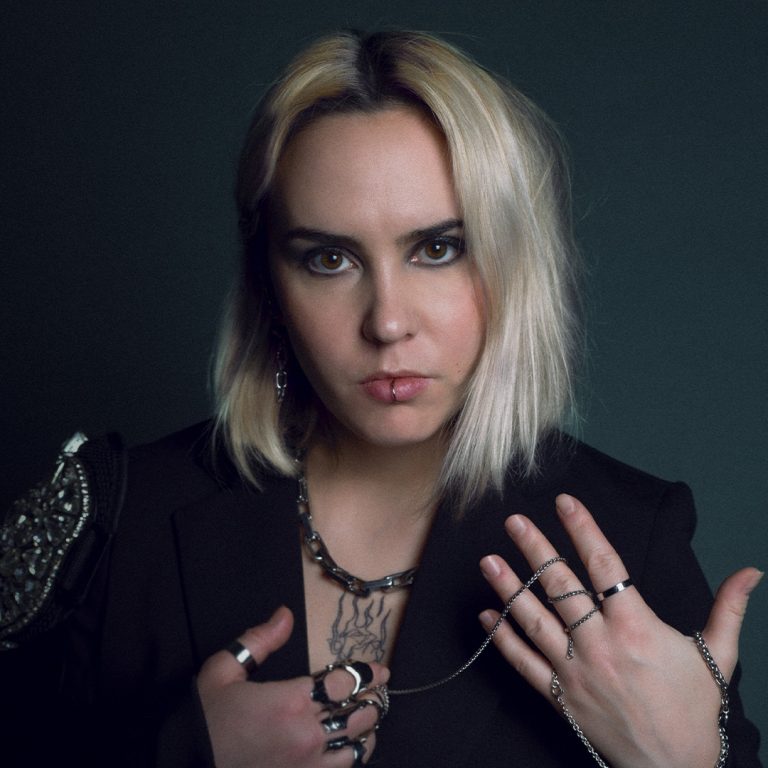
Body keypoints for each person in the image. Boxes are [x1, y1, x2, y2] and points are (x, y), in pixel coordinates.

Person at [0, 29, 762, 768]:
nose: (388, 322)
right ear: (268, 283)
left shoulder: (630, 536)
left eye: (438, 249)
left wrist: (684, 762)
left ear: (513, 263)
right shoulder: (117, 518)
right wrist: (182, 756)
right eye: (329, 259)